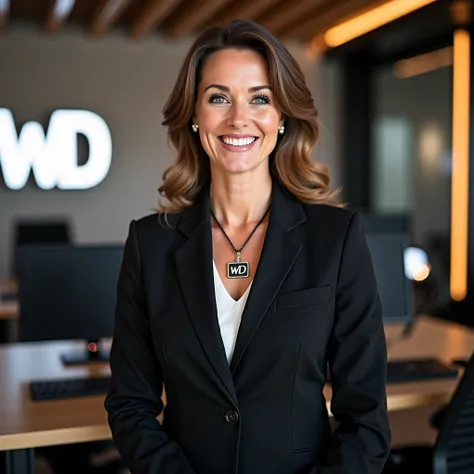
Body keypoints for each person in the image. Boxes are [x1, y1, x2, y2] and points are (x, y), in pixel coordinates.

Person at [104, 19, 391, 474]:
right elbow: (130, 405)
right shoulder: (149, 245)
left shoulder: (336, 239)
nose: (239, 118)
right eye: (219, 97)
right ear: (195, 116)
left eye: (260, 98)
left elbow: (366, 420)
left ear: (281, 119)